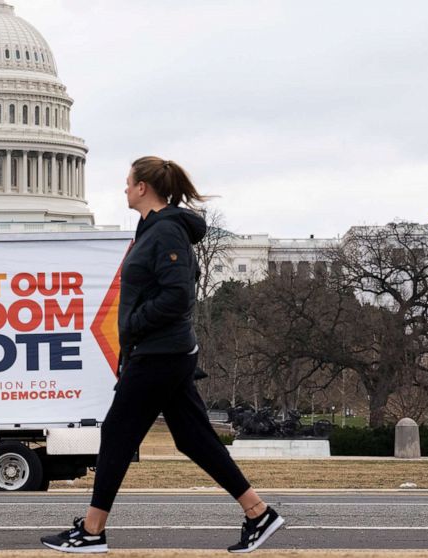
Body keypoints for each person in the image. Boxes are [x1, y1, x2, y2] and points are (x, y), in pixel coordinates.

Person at [41, 157, 284, 554]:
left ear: (143, 188)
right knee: (193, 438)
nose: (124, 189)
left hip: (161, 353)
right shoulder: (154, 230)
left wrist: (135, 322)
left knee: (117, 434)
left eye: (128, 182)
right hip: (161, 351)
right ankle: (258, 513)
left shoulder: (167, 231)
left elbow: (177, 296)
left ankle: (92, 531)